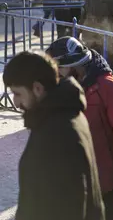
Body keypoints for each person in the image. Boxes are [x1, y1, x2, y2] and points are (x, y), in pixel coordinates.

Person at [46, 37, 113, 220]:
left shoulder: (110, 89)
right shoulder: (64, 88)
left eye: (59, 68)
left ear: (74, 65)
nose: (56, 73)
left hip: (102, 178)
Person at [4, 51, 105, 220]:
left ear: (37, 88)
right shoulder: (63, 115)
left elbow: (69, 207)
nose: (16, 102)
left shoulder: (57, 132)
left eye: (18, 93)